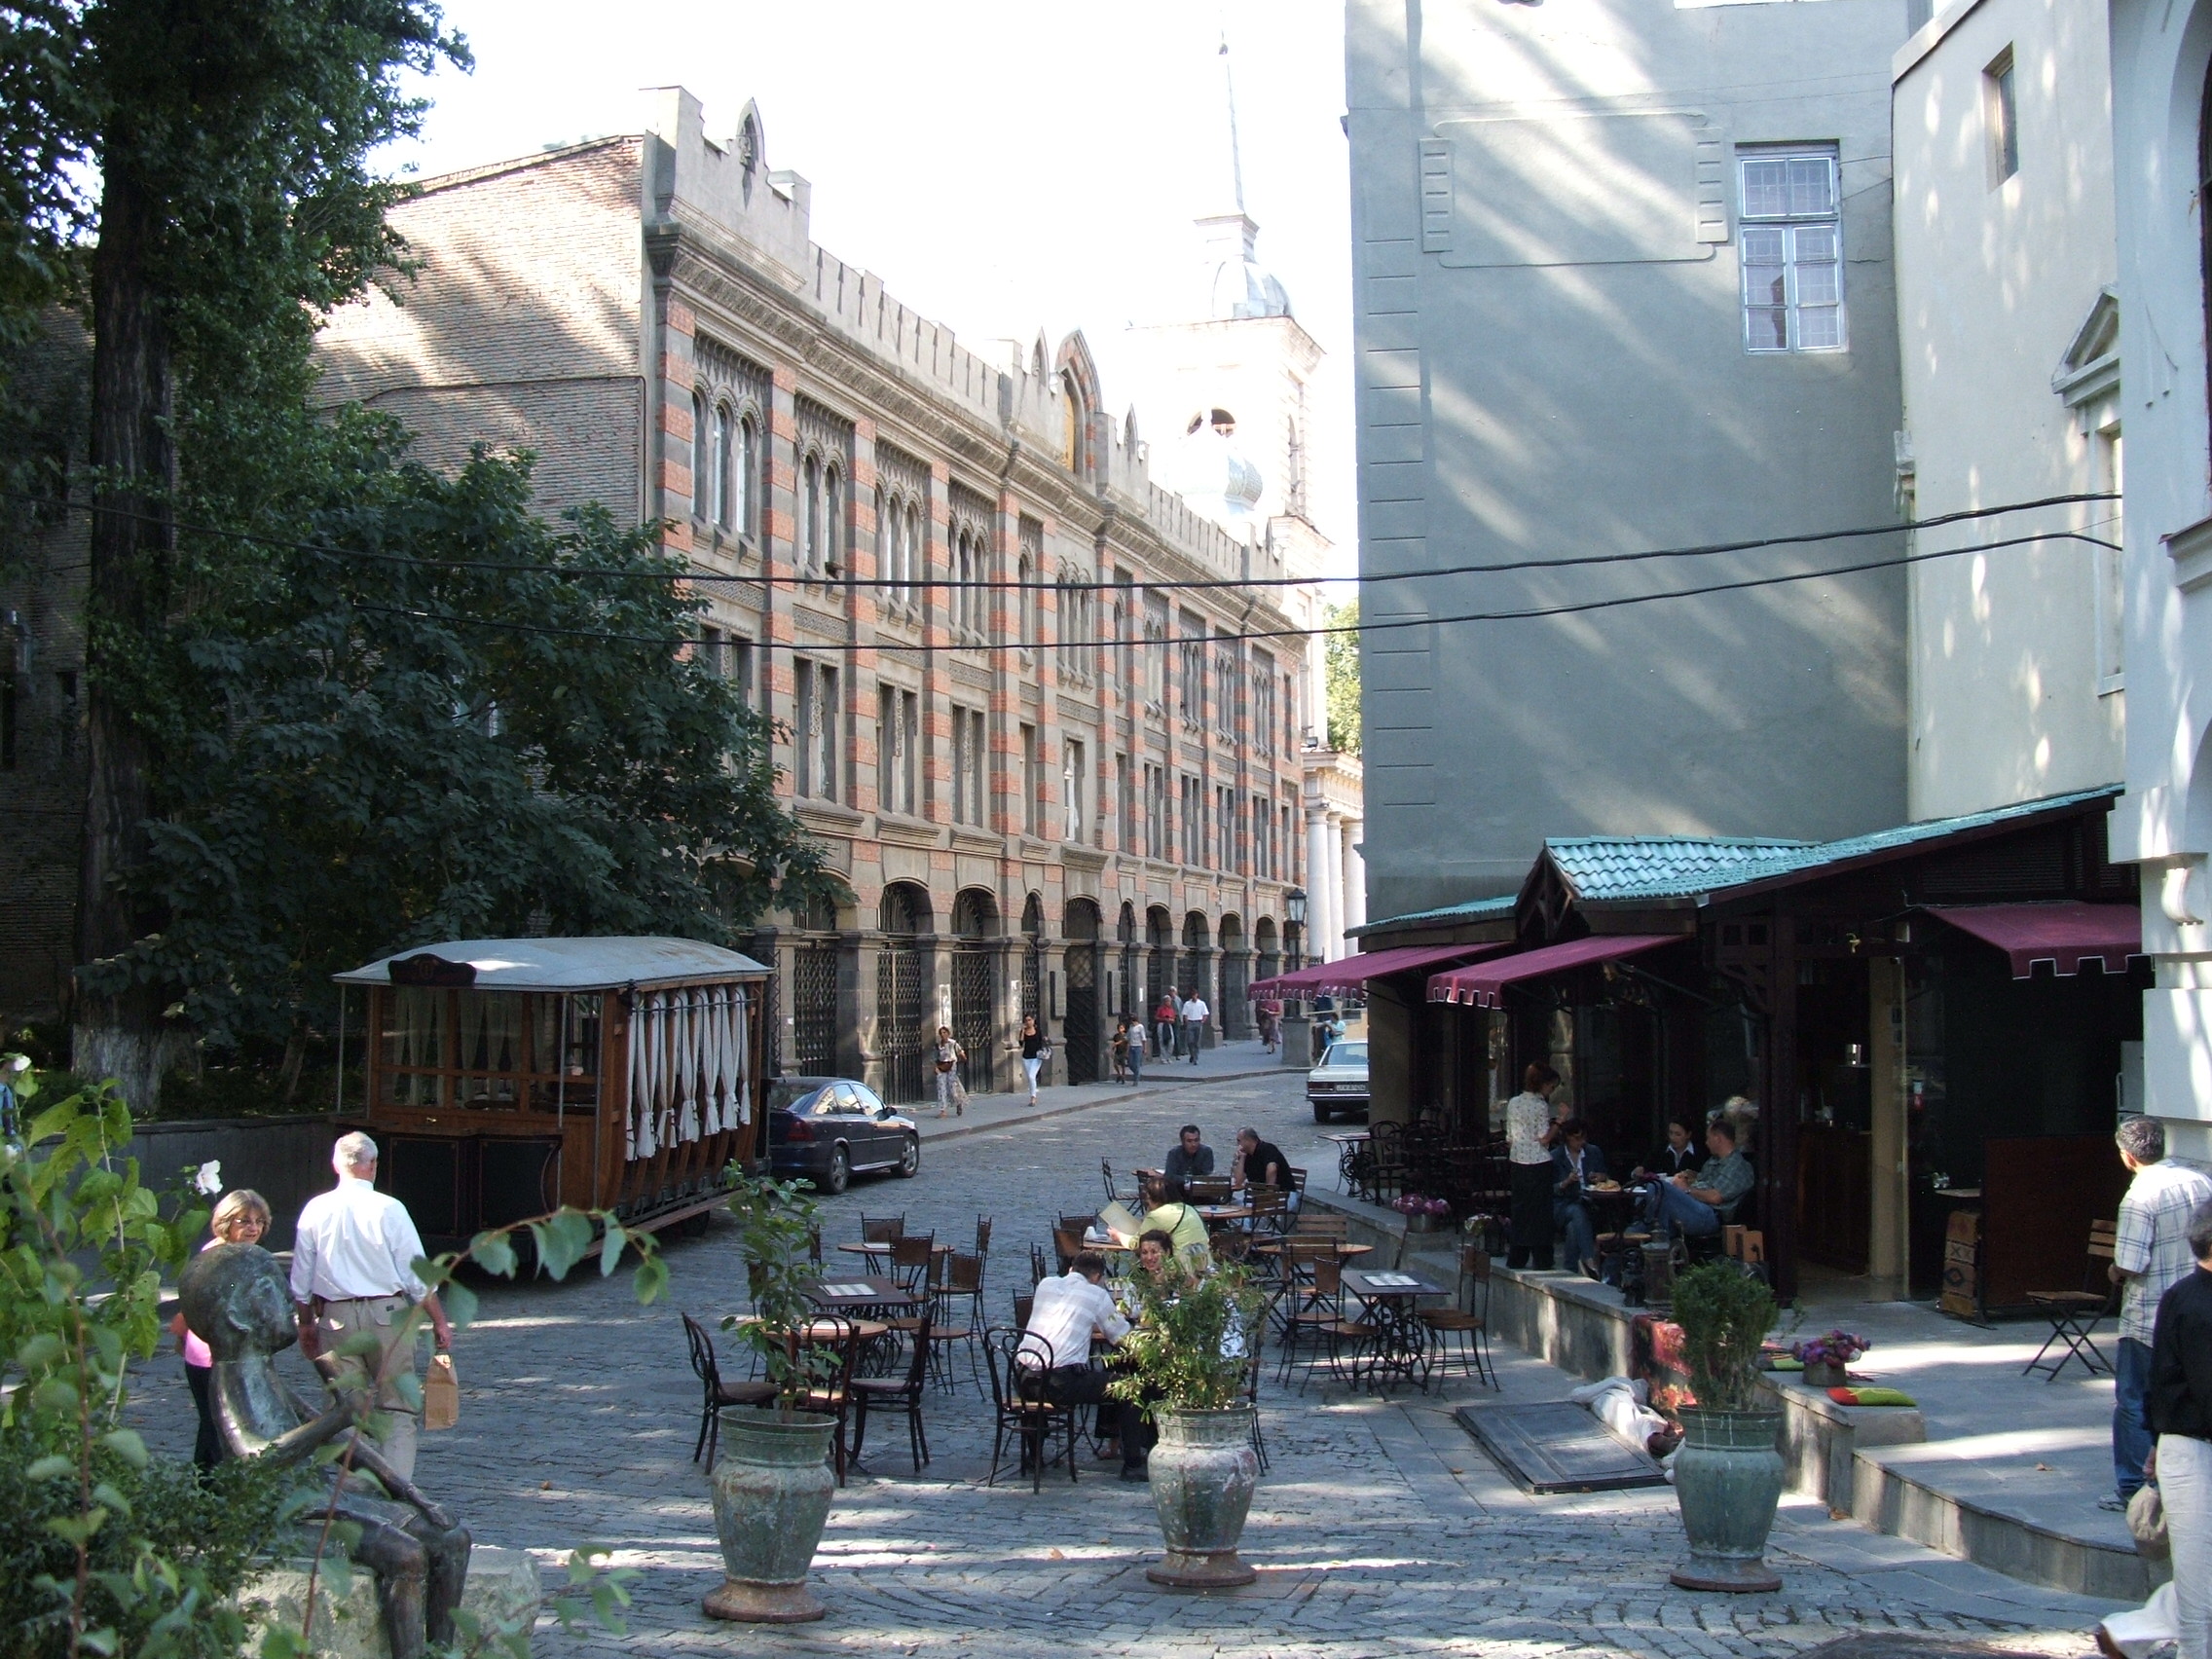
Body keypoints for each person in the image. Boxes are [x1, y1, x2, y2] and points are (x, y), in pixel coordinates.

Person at [292, 1132, 454, 1483]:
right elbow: (417, 1274)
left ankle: (351, 1492)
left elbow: (301, 1278)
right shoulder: (390, 1209)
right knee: (397, 1407)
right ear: (373, 1165)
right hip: (387, 1316)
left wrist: (305, 1323)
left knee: (346, 1410)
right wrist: (439, 1320)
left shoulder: (316, 1209)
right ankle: (397, 1491)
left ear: (336, 1164)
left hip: (336, 1318)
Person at [2112, 1116, 2212, 1509]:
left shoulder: (2139, 1196)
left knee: (2135, 1400)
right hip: (2197, 1307)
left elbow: (2130, 1263)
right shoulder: (2200, 1181)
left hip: (2148, 1315)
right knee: (2188, 1394)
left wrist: (2113, 1271)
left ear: (2128, 1157)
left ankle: (2136, 1488)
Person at [1018, 1249, 1151, 1480]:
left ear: (1071, 1269)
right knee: (1129, 1389)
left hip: (1023, 1378)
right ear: (1097, 1277)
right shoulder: (1096, 1294)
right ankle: (1132, 1464)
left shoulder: (1046, 1284)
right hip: (1060, 1383)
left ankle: (1034, 1455)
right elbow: (1121, 1336)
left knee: (1051, 1377)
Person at [2147, 1201, 2212, 1659]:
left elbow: (2160, 1380)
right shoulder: (2198, 1306)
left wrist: (2155, 1441)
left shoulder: (2180, 1294)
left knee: (2197, 1574)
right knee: (2196, 1581)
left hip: (2182, 1444)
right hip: (2195, 1450)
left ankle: (2133, 1631)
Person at [174, 1187, 273, 1469]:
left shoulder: (246, 1254)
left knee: (219, 1423)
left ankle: (211, 1480)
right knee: (217, 1424)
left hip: (228, 1353)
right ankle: (211, 1482)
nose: (253, 1228)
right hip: (214, 1355)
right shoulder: (220, 1257)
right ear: (226, 1222)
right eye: (244, 1221)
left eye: (259, 1221)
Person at [1632, 1117, 1753, 1240]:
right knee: (1645, 1215)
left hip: (1710, 1215)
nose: (1706, 1143)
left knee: (1657, 1187)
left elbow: (1715, 1197)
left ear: (1718, 1139)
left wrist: (1686, 1189)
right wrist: (1689, 1178)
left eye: (1708, 1138)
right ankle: (1638, 1238)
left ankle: (1655, 1241)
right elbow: (1701, 1181)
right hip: (1694, 1206)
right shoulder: (1713, 1161)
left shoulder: (1737, 1166)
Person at [1505, 1063, 1564, 1271]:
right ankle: (1542, 1258)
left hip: (1518, 1161)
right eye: (1551, 1086)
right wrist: (1559, 1121)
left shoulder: (1513, 1103)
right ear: (1543, 1084)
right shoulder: (1540, 1106)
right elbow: (1544, 1138)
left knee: (1520, 1210)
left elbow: (1510, 1138)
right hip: (1538, 1162)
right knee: (1540, 1212)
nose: (1551, 1091)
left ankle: (1517, 1257)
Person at [1550, 1120, 1610, 1277]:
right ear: (1567, 1138)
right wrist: (1566, 1182)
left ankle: (1569, 1268)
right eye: (1577, 1139)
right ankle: (1589, 1258)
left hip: (1589, 1201)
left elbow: (1605, 1176)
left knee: (1574, 1226)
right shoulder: (1555, 1157)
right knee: (1577, 1212)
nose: (1581, 1142)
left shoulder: (1593, 1152)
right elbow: (1550, 1189)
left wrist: (1601, 1177)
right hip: (1563, 1204)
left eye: (1583, 1138)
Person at [1138, 1175, 1213, 1269]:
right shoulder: (1189, 1208)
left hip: (1180, 1268)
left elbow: (1136, 1244)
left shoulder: (1156, 1215)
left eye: (1148, 1200)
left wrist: (1119, 1234)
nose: (1147, 1204)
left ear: (1154, 1200)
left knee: (1149, 1255)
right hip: (1205, 1264)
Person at [1634, 1117, 1706, 1182]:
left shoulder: (1699, 1153)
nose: (1672, 1138)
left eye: (1678, 1134)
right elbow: (1644, 1169)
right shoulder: (1660, 1150)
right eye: (1670, 1133)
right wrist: (1639, 1171)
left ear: (1688, 1135)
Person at [932, 1025, 966, 1118]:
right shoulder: (938, 1045)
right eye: (941, 1033)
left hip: (951, 1066)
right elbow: (935, 1057)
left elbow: (961, 1053)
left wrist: (960, 1059)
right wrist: (936, 1067)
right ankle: (943, 1110)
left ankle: (958, 1102)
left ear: (948, 1033)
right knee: (941, 1087)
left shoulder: (953, 1043)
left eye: (944, 1032)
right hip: (941, 1066)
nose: (943, 1035)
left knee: (952, 1087)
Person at [1018, 1015, 1047, 1107]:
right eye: (1026, 1020)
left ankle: (1033, 1097)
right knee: (1030, 1078)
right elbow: (1021, 1043)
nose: (1028, 1022)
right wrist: (1023, 1031)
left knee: (1031, 1076)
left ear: (1033, 1020)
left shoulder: (1038, 1031)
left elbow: (1041, 1042)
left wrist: (1045, 1039)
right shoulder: (1024, 1031)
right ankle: (1032, 1094)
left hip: (1036, 1057)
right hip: (1026, 1057)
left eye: (1030, 1020)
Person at [1179, 988, 1210, 1064]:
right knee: (1190, 1041)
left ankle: (1195, 1057)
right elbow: (1185, 1014)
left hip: (1198, 1022)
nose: (1194, 997)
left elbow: (1205, 1013)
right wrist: (1187, 1022)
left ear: (1197, 995)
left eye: (1195, 995)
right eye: (1193, 995)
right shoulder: (1187, 1004)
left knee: (1197, 1041)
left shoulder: (1201, 1003)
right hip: (1190, 1022)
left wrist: (1202, 1021)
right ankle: (1192, 1054)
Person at [1154, 994, 1179, 1063]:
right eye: (1167, 1001)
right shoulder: (1160, 1009)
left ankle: (1168, 1056)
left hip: (1169, 1025)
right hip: (1162, 1024)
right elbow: (1156, 1017)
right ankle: (1163, 1057)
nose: (1168, 1002)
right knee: (1162, 1041)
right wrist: (1163, 1019)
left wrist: (1171, 1020)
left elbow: (1174, 1019)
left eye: (1169, 1001)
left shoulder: (1171, 1010)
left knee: (1171, 1042)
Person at [1110, 1018, 1130, 1085]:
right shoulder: (1116, 1036)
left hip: (1123, 1051)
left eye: (1121, 1028)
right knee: (1115, 1064)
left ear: (1124, 1028)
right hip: (1117, 1051)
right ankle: (1119, 1074)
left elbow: (1127, 1043)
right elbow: (1114, 1044)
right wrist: (1112, 1051)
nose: (1120, 1029)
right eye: (1119, 1028)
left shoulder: (1126, 1035)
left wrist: (1127, 1052)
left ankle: (1123, 1077)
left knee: (1123, 1065)